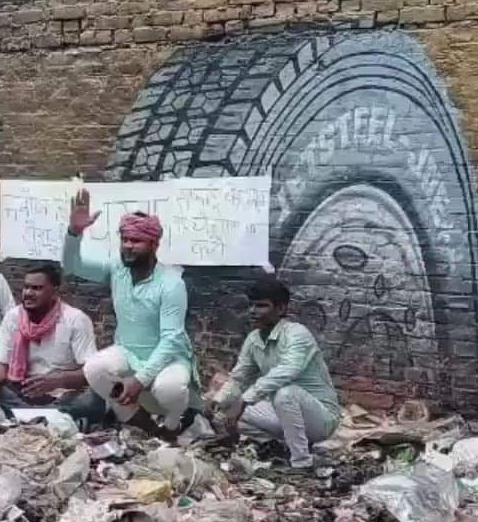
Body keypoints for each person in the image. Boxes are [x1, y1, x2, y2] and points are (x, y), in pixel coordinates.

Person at [62, 189, 198, 436]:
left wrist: (140, 380)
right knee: (94, 369)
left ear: (154, 245)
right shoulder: (118, 269)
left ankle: (173, 424)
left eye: (136, 241)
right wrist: (74, 233)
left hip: (167, 356)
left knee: (170, 389)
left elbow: (171, 339)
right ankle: (145, 427)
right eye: (124, 239)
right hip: (127, 350)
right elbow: (72, 265)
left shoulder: (171, 283)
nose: (128, 246)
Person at [211, 278, 341, 469]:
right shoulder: (254, 339)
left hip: (321, 420)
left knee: (284, 393)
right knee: (227, 408)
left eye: (262, 306)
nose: (254, 312)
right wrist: (218, 401)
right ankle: (280, 446)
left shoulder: (297, 333)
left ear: (280, 309)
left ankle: (302, 462)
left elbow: (286, 371)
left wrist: (246, 400)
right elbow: (239, 377)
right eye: (252, 306)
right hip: (285, 414)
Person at [0, 264, 105, 425]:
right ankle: (49, 419)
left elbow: (89, 373)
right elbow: (0, 364)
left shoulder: (76, 319)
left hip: (61, 396)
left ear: (55, 292)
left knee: (93, 399)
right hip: (20, 392)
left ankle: (27, 417)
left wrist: (57, 381)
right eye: (26, 287)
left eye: (36, 288)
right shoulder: (13, 316)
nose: (28, 293)